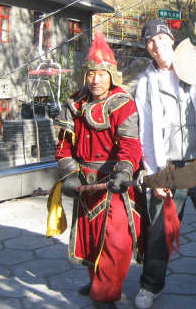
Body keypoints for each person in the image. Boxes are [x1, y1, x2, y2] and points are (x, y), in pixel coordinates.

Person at [133, 20, 196, 309]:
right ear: (147, 48)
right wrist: (153, 175)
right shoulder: (145, 82)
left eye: (162, 38)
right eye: (150, 41)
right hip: (169, 168)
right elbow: (145, 131)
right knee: (158, 231)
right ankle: (150, 285)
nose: (156, 44)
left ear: (172, 40)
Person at [52, 32, 144, 304]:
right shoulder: (74, 103)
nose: (96, 79)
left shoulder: (123, 104)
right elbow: (63, 146)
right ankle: (96, 281)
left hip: (116, 183)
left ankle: (105, 293)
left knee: (115, 240)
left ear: (111, 76)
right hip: (85, 181)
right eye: (91, 73)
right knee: (91, 237)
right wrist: (69, 173)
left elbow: (130, 145)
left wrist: (124, 172)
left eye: (102, 74)